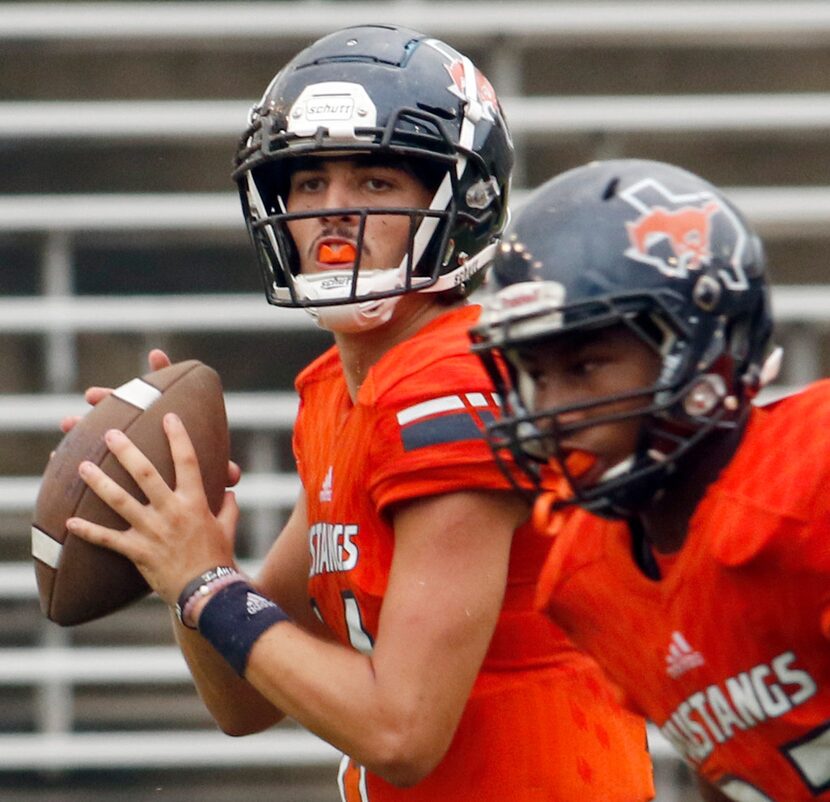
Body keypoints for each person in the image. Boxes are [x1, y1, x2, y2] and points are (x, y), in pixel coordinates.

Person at [62, 27, 654, 801]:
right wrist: (179, 544)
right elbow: (243, 698)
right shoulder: (343, 392)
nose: (332, 215)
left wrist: (204, 581)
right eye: (308, 184)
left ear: (457, 204)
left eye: (374, 183)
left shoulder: (450, 387)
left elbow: (400, 733)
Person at [470, 157, 830, 802]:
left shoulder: (812, 478)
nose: (550, 408)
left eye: (583, 366)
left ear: (701, 349)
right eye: (534, 372)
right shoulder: (587, 577)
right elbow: (729, 764)